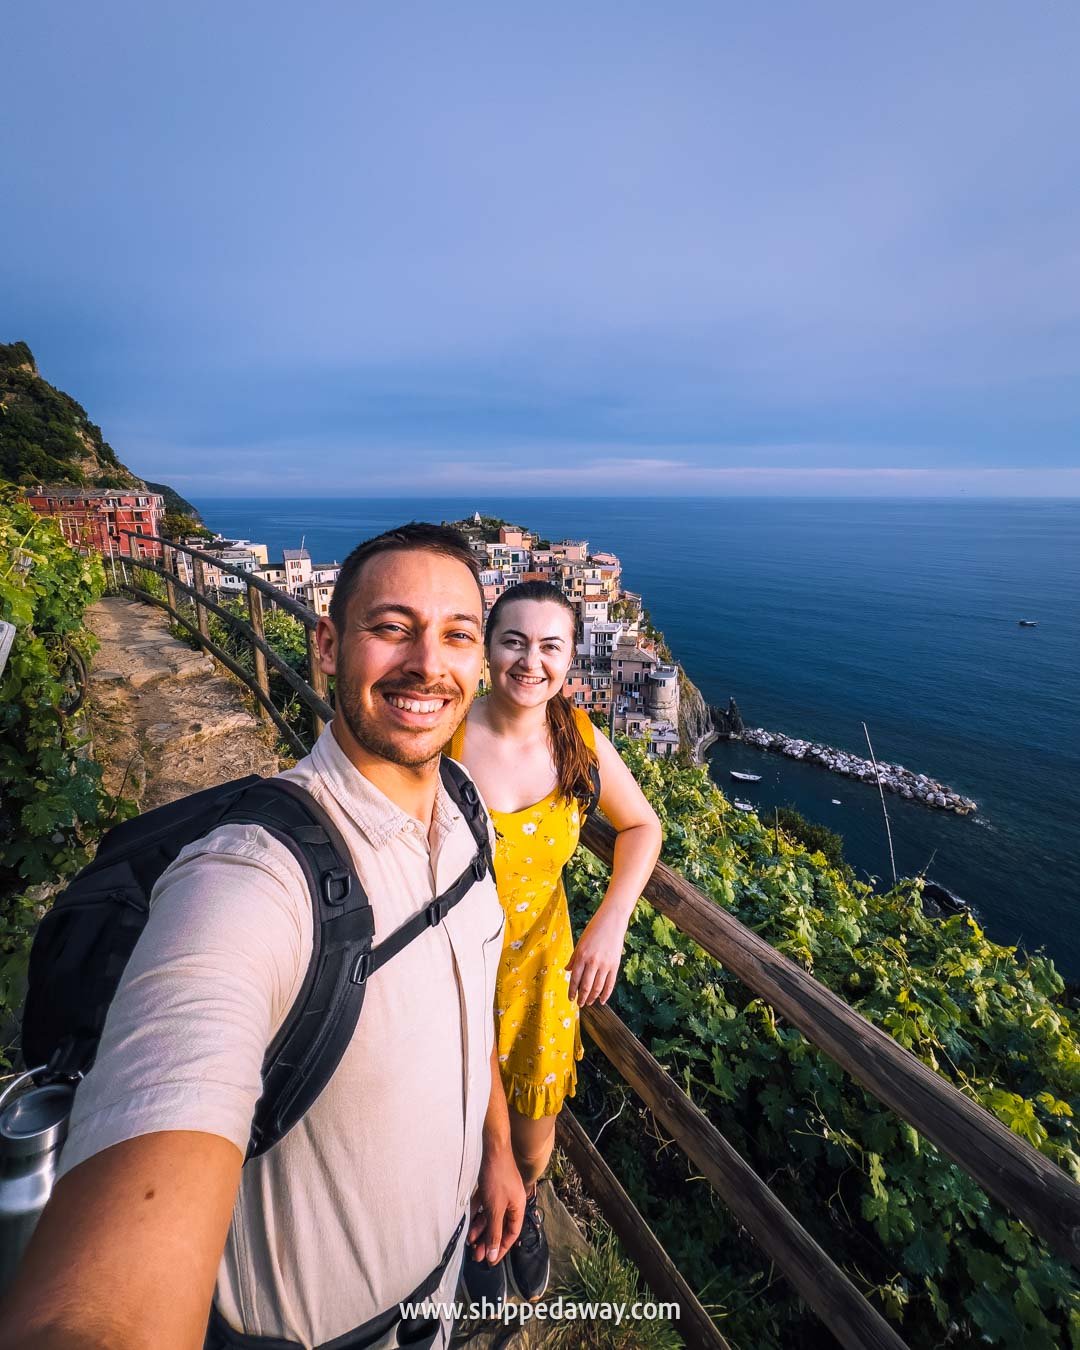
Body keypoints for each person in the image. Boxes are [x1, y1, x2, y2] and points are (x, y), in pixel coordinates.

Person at [1, 523, 525, 1350]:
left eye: (457, 635)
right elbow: (103, 1309)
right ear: (326, 645)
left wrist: (496, 1148)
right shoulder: (249, 882)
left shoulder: (464, 809)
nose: (428, 662)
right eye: (391, 628)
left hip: (446, 1289)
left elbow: (470, 991)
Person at [448, 581, 662, 1303]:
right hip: (450, 962)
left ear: (571, 659)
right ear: (488, 647)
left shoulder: (578, 738)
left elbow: (643, 826)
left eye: (549, 646)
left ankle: (523, 1204)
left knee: (534, 1132)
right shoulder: (447, 732)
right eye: (513, 641)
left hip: (543, 966)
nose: (529, 661)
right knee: (461, 1113)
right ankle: (480, 1215)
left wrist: (612, 918)